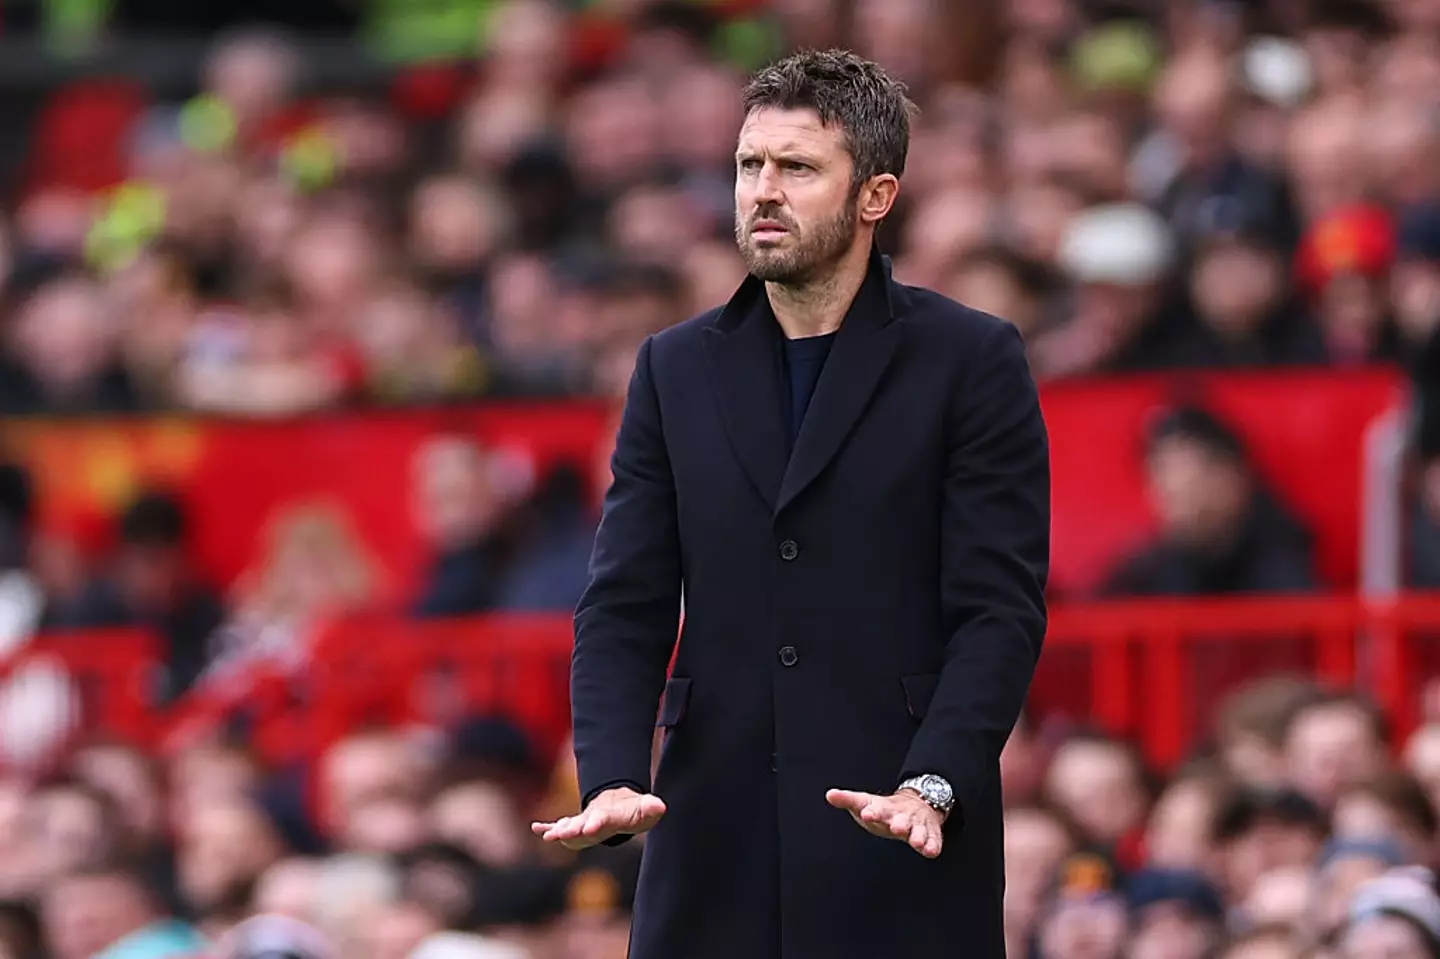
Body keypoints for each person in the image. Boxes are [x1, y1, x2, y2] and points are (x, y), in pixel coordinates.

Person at [532, 49, 1050, 959]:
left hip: (897, 828)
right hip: (710, 836)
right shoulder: (673, 366)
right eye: (748, 165)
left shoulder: (970, 359)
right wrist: (610, 773)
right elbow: (624, 602)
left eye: (797, 167)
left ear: (875, 197)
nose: (761, 191)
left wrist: (935, 779)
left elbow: (998, 610)